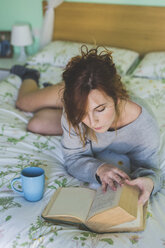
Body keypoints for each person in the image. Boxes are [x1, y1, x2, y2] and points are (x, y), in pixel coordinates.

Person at [11, 46, 162, 206]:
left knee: (38, 123)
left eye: (100, 109)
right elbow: (73, 158)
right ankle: (31, 75)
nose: (91, 121)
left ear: (117, 98)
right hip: (74, 94)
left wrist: (150, 183)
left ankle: (52, 94)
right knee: (26, 108)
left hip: (85, 95)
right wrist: (99, 168)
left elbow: (151, 171)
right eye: (82, 112)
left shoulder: (145, 128)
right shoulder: (75, 110)